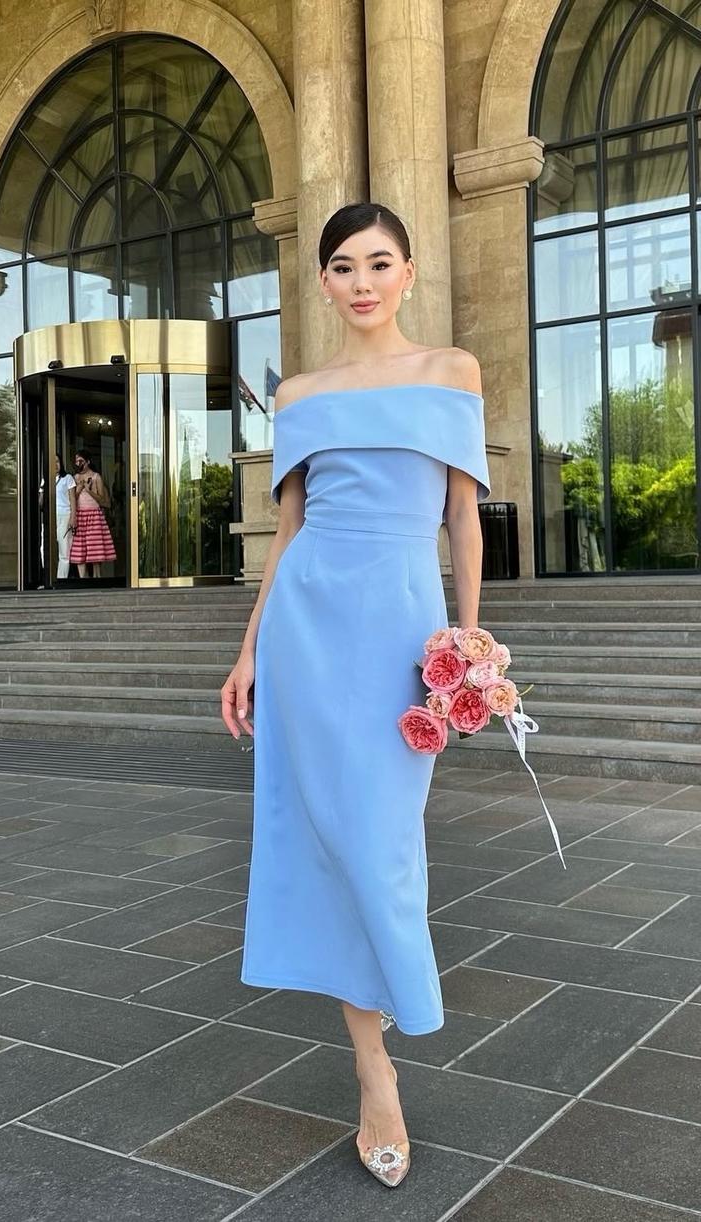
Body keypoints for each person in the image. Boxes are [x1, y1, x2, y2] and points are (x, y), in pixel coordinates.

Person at [221, 202, 489, 1189]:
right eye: (342, 265)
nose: (362, 280)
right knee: (331, 840)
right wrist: (249, 650)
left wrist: (466, 641)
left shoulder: (452, 371)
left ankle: (389, 1030)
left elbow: (463, 519)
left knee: (382, 842)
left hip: (401, 630)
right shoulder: (299, 393)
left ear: (409, 272)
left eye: (379, 262)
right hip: (308, 629)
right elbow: (289, 531)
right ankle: (374, 1068)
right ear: (324, 281)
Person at [69, 449, 116, 578]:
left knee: (95, 550)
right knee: (80, 550)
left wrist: (89, 490)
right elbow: (72, 498)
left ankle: (97, 579)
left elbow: (102, 499)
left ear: (88, 462)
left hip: (94, 515)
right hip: (79, 515)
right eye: (76, 461)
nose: (78, 463)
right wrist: (79, 488)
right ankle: (82, 580)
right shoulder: (75, 478)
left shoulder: (96, 477)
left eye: (81, 461)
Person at [38, 455, 77, 582]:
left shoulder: (68, 478)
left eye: (57, 462)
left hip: (64, 515)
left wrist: (73, 517)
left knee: (64, 549)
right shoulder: (45, 479)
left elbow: (72, 499)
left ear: (61, 463)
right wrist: (42, 489)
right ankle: (48, 578)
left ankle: (61, 580)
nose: (55, 464)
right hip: (49, 516)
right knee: (44, 548)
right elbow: (40, 503)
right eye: (52, 462)